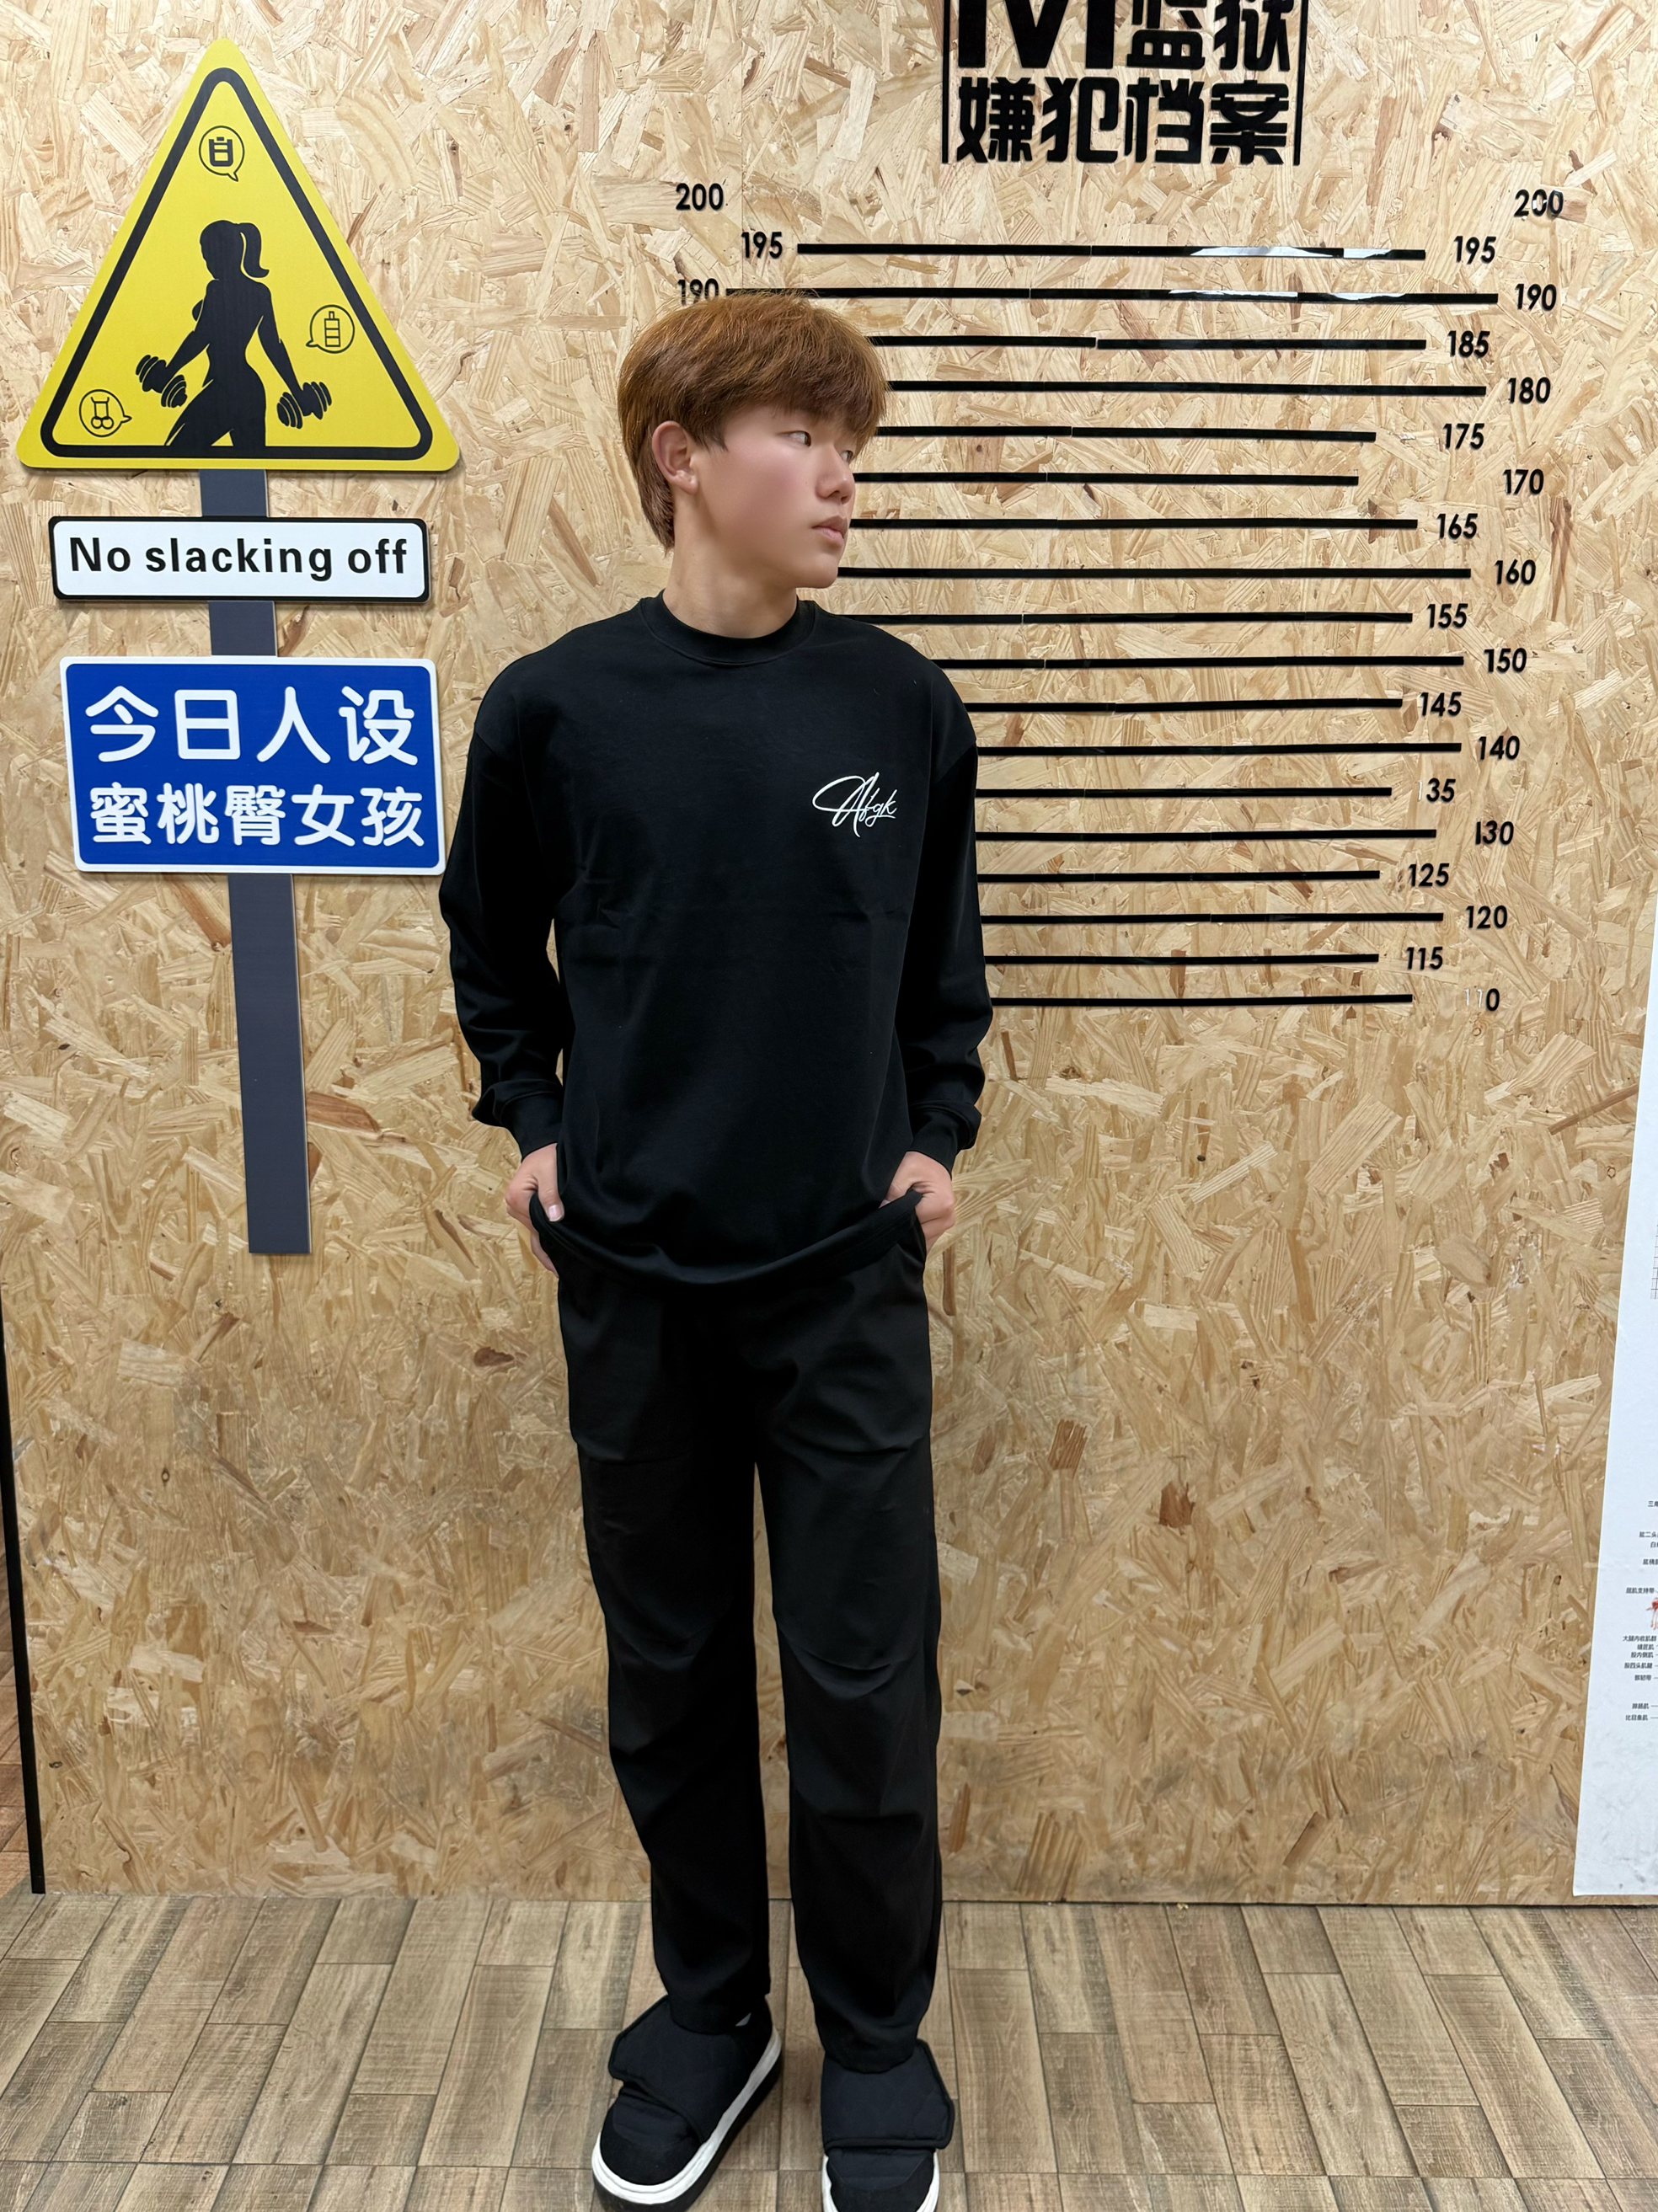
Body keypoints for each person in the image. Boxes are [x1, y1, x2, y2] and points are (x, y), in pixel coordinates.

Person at [440, 290, 991, 2212]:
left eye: (852, 444)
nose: (842, 478)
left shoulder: (897, 706)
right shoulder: (556, 709)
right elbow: (490, 949)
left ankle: (878, 2039)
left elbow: (942, 960)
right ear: (682, 459)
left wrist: (934, 1134)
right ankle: (713, 2012)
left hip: (841, 1282)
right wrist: (533, 1125)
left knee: (862, 1680)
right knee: (669, 1673)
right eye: (801, 438)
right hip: (637, 1284)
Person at [135, 219, 330, 453]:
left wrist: (169, 371)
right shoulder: (260, 292)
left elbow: (200, 337)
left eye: (210, 255)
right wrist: (297, 392)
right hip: (252, 392)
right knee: (251, 462)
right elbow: (274, 346)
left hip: (225, 390)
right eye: (205, 257)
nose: (208, 264)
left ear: (227, 253)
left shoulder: (217, 290)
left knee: (176, 452)